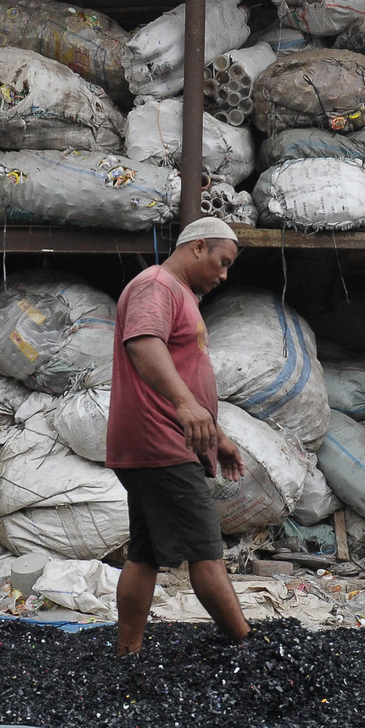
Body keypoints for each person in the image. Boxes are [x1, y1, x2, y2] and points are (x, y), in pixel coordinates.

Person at [106, 216, 251, 656]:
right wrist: (186, 406)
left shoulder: (180, 294)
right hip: (160, 440)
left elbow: (186, 372)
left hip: (161, 440)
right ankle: (249, 647)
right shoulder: (157, 285)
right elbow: (143, 342)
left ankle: (127, 655)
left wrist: (217, 436)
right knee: (206, 550)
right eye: (222, 263)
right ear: (198, 247)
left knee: (145, 553)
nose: (223, 276)